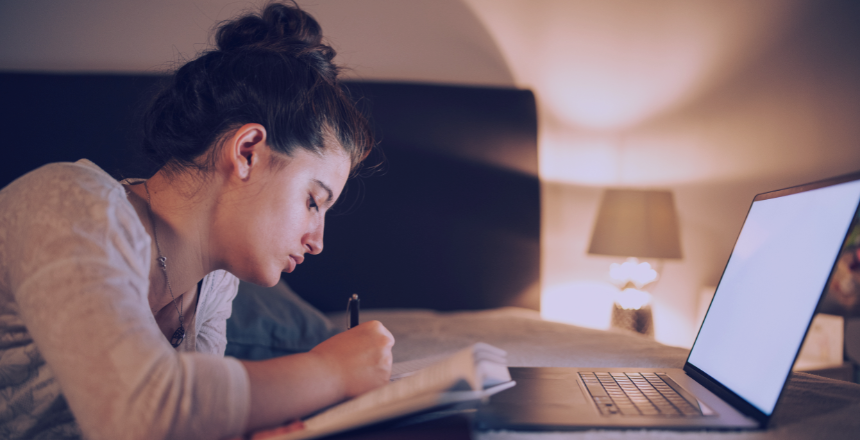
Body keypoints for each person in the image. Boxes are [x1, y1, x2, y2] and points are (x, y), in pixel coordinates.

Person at [0, 3, 394, 439]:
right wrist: (331, 370)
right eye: (313, 202)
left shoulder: (215, 285)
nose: (318, 241)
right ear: (247, 152)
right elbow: (144, 413)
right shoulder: (66, 205)